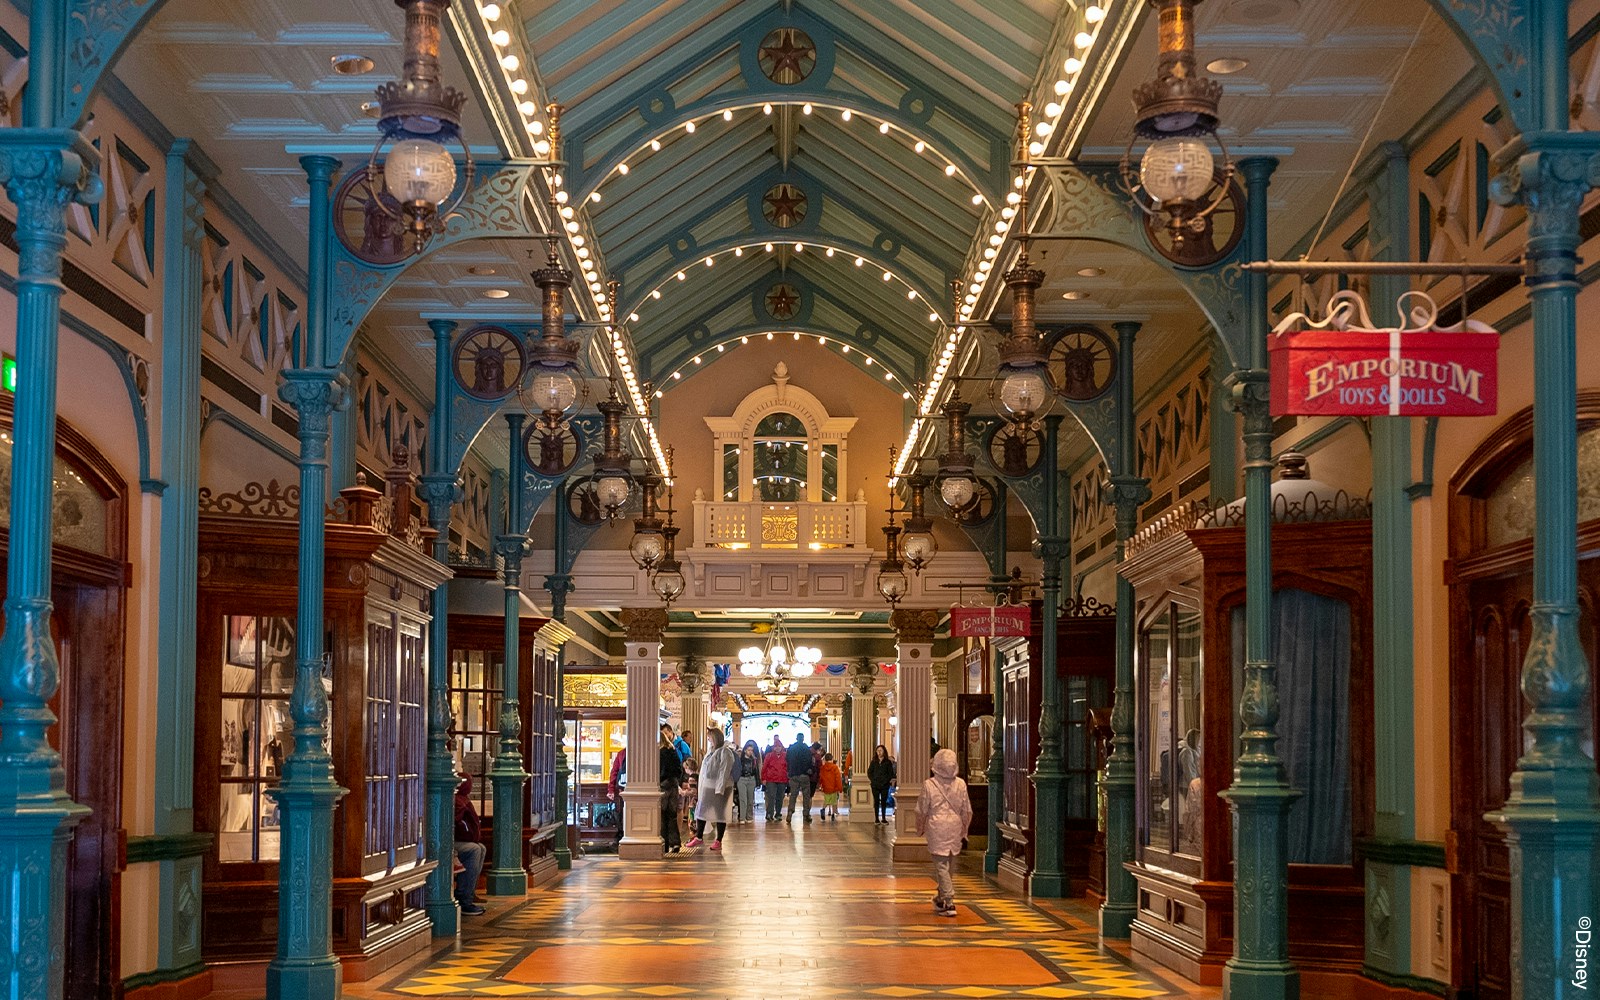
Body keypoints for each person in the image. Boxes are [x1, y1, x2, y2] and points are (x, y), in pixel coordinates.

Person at [915, 748, 973, 917]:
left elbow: (921, 810)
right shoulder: (961, 784)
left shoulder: (929, 784)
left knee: (941, 864)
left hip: (936, 825)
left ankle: (948, 901)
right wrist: (965, 828)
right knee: (950, 862)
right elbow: (967, 810)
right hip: (955, 824)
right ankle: (941, 897)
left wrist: (920, 828)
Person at [688, 726, 736, 850]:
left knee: (720, 814)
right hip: (708, 786)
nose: (708, 740)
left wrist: (720, 789)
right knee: (701, 811)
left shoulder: (725, 752)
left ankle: (718, 840)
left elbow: (724, 771)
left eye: (709, 737)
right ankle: (699, 837)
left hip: (720, 788)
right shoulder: (711, 751)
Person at [453, 775, 487, 915]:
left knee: (481, 848)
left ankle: (468, 892)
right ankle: (463, 898)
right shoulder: (458, 800)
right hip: (451, 843)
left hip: (457, 841)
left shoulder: (461, 799)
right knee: (474, 850)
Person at [659, 728, 686, 853]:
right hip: (673, 784)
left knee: (663, 814)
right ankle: (675, 843)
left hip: (663, 785)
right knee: (672, 814)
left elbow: (658, 771)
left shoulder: (659, 753)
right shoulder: (673, 751)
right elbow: (679, 769)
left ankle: (664, 843)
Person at [784, 732, 816, 822]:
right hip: (804, 775)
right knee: (806, 795)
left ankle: (790, 812)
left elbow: (787, 760)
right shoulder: (806, 749)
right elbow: (810, 761)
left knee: (793, 795)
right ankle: (806, 814)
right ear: (803, 739)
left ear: (796, 738)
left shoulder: (791, 748)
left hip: (793, 774)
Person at [761, 736, 788, 821]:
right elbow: (764, 768)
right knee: (771, 796)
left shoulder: (785, 756)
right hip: (771, 779)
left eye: (779, 746)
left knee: (780, 797)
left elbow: (788, 767)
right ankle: (769, 813)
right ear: (774, 747)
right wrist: (763, 778)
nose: (777, 748)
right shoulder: (769, 756)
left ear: (781, 747)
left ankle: (778, 813)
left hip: (782, 779)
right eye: (776, 746)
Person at [867, 744, 896, 823]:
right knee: (876, 801)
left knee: (883, 801)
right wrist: (873, 780)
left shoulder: (888, 762)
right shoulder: (874, 762)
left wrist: (885, 781)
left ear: (884, 751)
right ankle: (876, 818)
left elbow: (890, 774)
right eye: (878, 751)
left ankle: (883, 818)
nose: (879, 752)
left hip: (884, 785)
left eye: (880, 751)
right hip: (875, 785)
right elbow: (869, 772)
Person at [606, 746, 627, 850]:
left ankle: (622, 837)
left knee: (623, 816)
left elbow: (614, 772)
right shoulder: (641, 753)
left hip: (622, 790)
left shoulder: (622, 753)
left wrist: (611, 789)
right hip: (629, 789)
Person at [736, 740, 761, 824]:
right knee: (743, 799)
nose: (750, 752)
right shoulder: (740, 759)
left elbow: (756, 771)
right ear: (745, 750)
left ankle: (749, 816)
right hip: (742, 779)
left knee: (750, 799)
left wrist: (758, 781)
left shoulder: (754, 760)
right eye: (748, 750)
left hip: (751, 779)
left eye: (751, 750)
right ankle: (742, 817)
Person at [817, 752, 843, 820]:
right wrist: (840, 788)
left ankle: (823, 809)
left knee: (826, 800)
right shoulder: (835, 767)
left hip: (826, 787)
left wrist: (820, 785)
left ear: (825, 759)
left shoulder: (822, 768)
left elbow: (821, 777)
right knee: (834, 801)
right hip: (834, 788)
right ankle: (833, 815)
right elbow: (838, 778)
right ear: (832, 759)